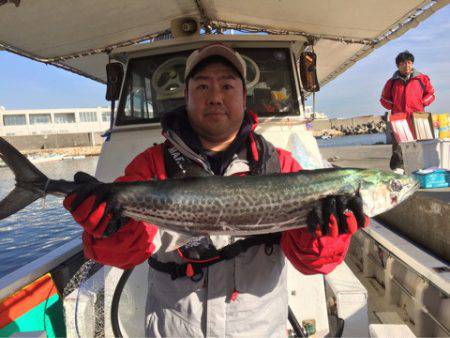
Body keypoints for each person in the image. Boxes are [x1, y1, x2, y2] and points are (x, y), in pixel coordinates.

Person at [64, 43, 368, 337]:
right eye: (203, 87)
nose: (215, 97)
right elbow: (127, 252)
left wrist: (327, 236)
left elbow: (310, 262)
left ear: (244, 96)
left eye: (227, 86)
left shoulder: (279, 165)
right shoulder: (152, 164)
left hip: (259, 330)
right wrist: (107, 229)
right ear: (186, 95)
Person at [380, 50, 435, 173]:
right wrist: (393, 106)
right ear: (398, 66)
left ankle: (421, 167)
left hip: (418, 116)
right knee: (399, 144)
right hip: (399, 118)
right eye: (403, 64)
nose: (407, 66)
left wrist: (423, 102)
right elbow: (383, 99)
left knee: (421, 142)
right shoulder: (391, 82)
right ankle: (398, 168)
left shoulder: (422, 78)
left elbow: (431, 93)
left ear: (412, 64)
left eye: (409, 63)